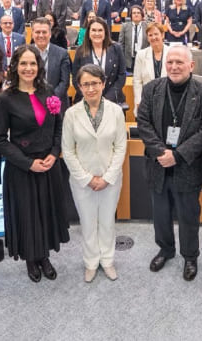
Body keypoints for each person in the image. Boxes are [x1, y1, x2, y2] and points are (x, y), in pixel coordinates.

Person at [136, 45, 202, 281]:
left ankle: (190, 256)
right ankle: (166, 249)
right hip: (157, 163)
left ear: (191, 65)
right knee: (160, 213)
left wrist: (177, 155)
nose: (174, 66)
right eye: (170, 62)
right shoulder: (152, 89)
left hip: (187, 166)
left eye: (179, 62)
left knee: (188, 214)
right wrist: (161, 151)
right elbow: (143, 123)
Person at [0, 45, 69, 282]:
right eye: (23, 63)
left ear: (39, 66)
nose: (28, 68)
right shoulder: (6, 98)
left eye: (33, 63)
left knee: (46, 212)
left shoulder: (48, 92)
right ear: (15, 66)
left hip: (48, 165)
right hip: (23, 169)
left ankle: (44, 256)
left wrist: (55, 153)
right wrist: (27, 163)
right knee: (28, 215)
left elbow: (58, 128)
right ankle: (31, 259)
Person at [61, 65, 127, 283]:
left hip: (111, 179)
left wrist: (108, 177)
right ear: (79, 87)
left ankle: (107, 260)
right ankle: (91, 262)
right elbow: (68, 151)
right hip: (83, 181)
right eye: (86, 84)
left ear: (103, 83)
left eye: (95, 83)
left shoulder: (116, 111)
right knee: (88, 222)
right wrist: (87, 178)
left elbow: (121, 147)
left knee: (107, 221)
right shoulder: (71, 114)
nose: (91, 88)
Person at [72, 17, 126, 105]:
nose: (97, 33)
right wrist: (89, 95)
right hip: (86, 98)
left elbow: (122, 75)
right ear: (88, 33)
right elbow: (75, 77)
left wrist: (107, 98)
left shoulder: (116, 49)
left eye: (100, 30)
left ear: (105, 33)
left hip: (112, 100)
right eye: (93, 30)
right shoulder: (80, 51)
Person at [30, 17, 71, 110]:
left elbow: (64, 82)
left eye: (44, 32)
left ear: (50, 34)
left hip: (56, 105)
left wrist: (50, 100)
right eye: (37, 32)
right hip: (31, 105)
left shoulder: (62, 53)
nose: (41, 35)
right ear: (32, 34)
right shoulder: (24, 53)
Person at [133, 23, 169, 116]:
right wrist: (138, 101)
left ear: (162, 35)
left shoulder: (171, 53)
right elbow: (137, 80)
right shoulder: (141, 55)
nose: (153, 37)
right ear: (148, 38)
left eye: (156, 34)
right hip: (147, 101)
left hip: (168, 100)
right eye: (150, 35)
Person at [118, 5, 148, 71]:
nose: (136, 15)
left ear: (142, 15)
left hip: (144, 60)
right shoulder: (124, 26)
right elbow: (121, 44)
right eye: (134, 13)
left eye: (138, 13)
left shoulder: (147, 26)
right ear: (130, 15)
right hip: (128, 61)